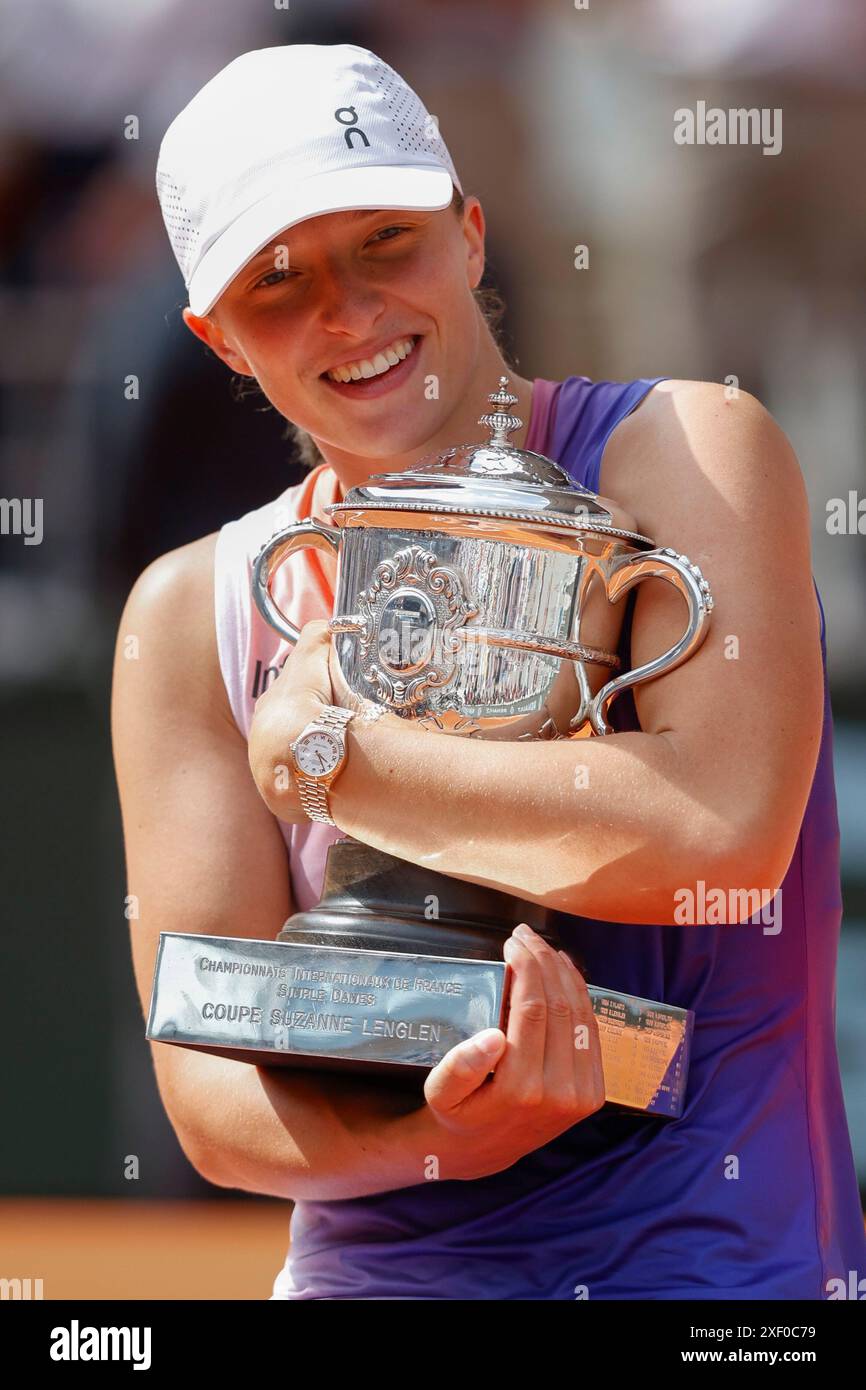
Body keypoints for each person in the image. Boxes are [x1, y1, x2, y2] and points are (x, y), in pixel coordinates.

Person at [112, 43, 866, 1300]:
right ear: (218, 337)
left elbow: (720, 839)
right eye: (276, 281)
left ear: (468, 234)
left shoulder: (688, 448)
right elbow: (208, 1084)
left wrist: (336, 759)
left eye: (382, 243)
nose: (346, 312)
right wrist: (439, 1143)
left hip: (727, 1287)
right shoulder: (189, 609)